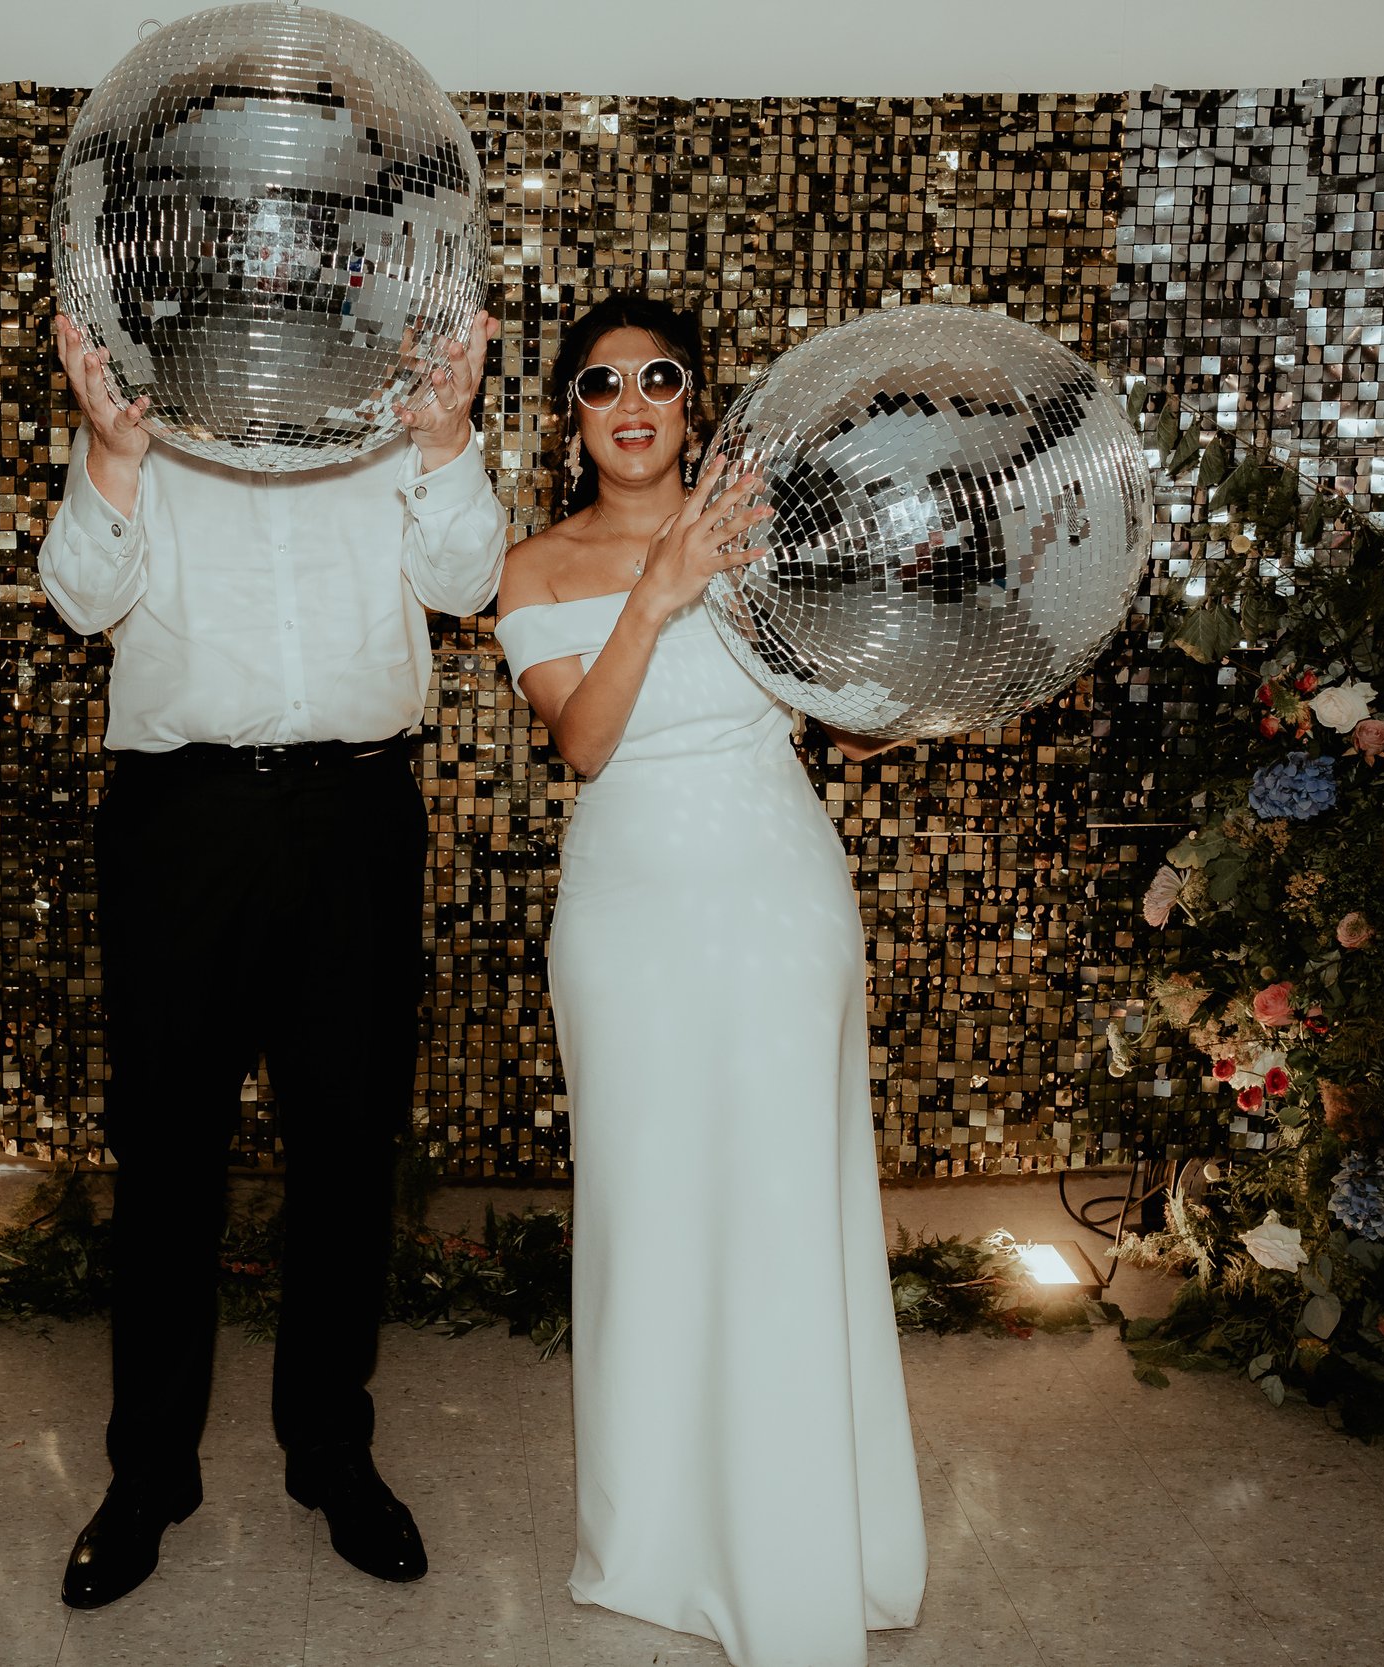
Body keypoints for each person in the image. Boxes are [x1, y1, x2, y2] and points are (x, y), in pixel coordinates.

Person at [38, 309, 508, 1610]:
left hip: (358, 818)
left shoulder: (391, 410)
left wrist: (450, 435)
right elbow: (79, 597)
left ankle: (330, 1456)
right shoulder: (147, 410)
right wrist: (111, 454)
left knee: (348, 1148)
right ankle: (149, 1476)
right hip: (180, 826)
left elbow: (471, 581)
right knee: (168, 1153)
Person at [491, 294, 928, 1667]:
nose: (633, 400)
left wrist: (917, 681)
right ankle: (661, 1537)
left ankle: (802, 1544)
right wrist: (659, 591)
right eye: (601, 381)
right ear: (571, 413)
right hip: (628, 918)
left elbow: (853, 731)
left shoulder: (774, 548)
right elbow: (586, 742)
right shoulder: (532, 567)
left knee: (787, 1205)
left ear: (697, 403)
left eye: (661, 377)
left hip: (778, 899)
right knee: (649, 1209)